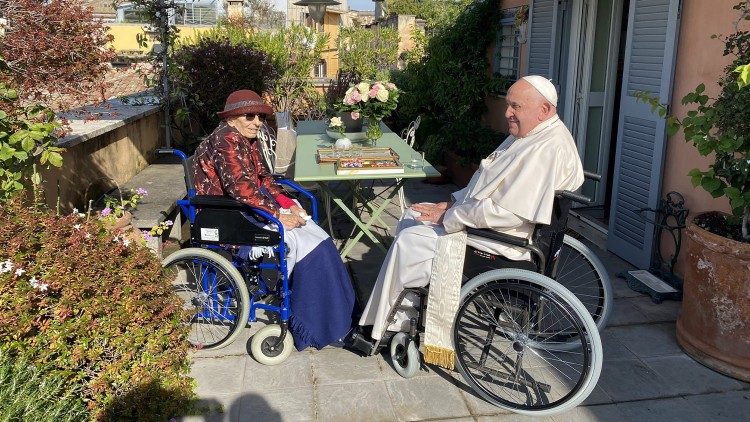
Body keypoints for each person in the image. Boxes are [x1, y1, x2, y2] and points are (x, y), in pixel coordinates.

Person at [357, 75, 585, 342]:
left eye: (516, 107)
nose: (507, 112)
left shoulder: (547, 149)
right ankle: (394, 314)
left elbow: (505, 212)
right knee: (415, 213)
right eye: (508, 105)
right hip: (496, 226)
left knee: (412, 238)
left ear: (544, 110)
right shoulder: (532, 134)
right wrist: (452, 202)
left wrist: (450, 216)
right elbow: (488, 179)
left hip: (505, 242)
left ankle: (391, 326)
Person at [192, 89, 356, 350]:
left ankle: (336, 311)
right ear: (232, 118)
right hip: (226, 216)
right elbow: (240, 189)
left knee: (314, 233)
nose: (257, 121)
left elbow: (263, 180)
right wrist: (279, 214)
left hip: (245, 208)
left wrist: (288, 203)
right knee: (299, 239)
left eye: (260, 116)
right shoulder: (225, 141)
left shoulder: (246, 139)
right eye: (250, 115)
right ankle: (315, 322)